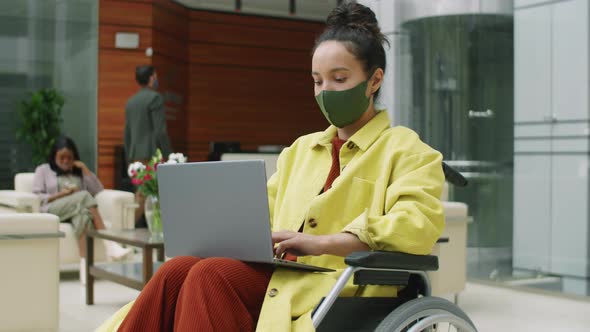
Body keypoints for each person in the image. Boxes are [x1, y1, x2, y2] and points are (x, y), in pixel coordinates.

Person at [99, 3, 444, 332]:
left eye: (339, 79)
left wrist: (323, 242)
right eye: (317, 81)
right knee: (177, 271)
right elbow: (260, 212)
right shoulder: (300, 150)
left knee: (210, 277)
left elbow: (417, 225)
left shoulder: (408, 150)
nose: (325, 92)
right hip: (281, 274)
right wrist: (223, 228)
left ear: (374, 80)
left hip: (339, 284)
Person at [32, 136, 130, 282]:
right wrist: (61, 194)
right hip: (53, 209)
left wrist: (85, 169)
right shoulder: (43, 170)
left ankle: (85, 266)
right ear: (54, 156)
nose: (66, 161)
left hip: (76, 209)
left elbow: (98, 189)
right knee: (83, 196)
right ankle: (109, 244)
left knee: (84, 216)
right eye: (62, 157)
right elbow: (37, 197)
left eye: (69, 158)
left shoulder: (79, 171)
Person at [124, 65, 172, 226]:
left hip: (135, 154)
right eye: (155, 75)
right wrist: (169, 155)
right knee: (147, 193)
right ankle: (126, 228)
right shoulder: (155, 98)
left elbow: (127, 133)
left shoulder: (131, 102)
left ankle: (130, 227)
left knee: (143, 193)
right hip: (151, 154)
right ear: (152, 77)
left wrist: (129, 157)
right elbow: (160, 132)